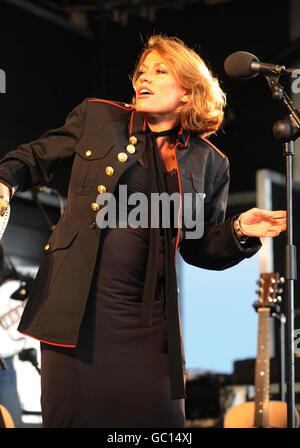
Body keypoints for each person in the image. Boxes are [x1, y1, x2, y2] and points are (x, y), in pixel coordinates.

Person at [0, 35, 286, 428]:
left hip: (150, 327)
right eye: (140, 72)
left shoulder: (210, 162)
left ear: (188, 92)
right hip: (76, 314)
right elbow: (34, 156)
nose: (142, 79)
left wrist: (238, 229)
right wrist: (5, 182)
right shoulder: (100, 118)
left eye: (159, 70)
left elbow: (199, 247)